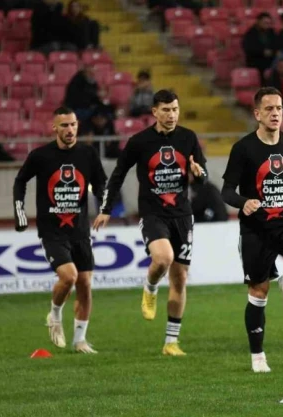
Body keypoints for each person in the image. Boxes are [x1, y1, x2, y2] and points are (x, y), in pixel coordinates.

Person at [93, 90, 207, 356]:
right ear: (154, 112)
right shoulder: (140, 141)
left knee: (180, 278)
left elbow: (202, 175)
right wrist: (107, 208)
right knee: (164, 258)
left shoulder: (188, 138)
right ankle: (151, 286)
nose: (171, 115)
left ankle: (171, 342)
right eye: (166, 110)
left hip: (182, 216)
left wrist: (199, 173)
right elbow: (118, 174)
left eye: (175, 109)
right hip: (153, 214)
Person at [221, 87, 283, 373]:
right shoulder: (243, 148)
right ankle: (258, 357)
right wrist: (244, 202)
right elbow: (226, 191)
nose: (275, 113)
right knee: (259, 290)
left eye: (278, 108)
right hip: (256, 227)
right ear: (257, 114)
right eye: (269, 109)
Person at [12, 107, 107, 354]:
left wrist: (104, 207)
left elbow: (101, 183)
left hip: (80, 230)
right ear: (54, 128)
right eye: (64, 125)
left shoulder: (88, 154)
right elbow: (20, 181)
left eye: (73, 124)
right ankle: (54, 315)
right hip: (52, 231)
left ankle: (80, 341)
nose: (70, 129)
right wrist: (20, 212)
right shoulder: (41, 156)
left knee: (85, 284)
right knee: (69, 276)